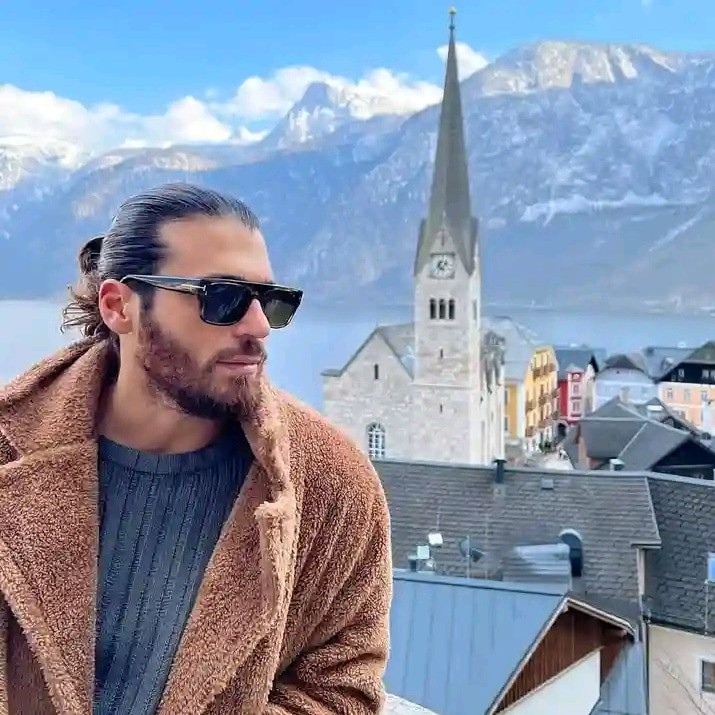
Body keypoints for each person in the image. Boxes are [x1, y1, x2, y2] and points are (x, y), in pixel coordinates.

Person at [0, 182, 392, 714]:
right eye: (222, 297)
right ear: (119, 307)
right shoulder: (11, 451)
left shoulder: (333, 487)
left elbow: (340, 691)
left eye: (271, 301)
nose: (259, 326)